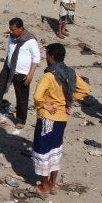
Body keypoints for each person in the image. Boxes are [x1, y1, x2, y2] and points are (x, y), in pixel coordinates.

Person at [31, 43, 89, 194]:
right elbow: (85, 90)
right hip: (62, 117)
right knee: (55, 149)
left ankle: (44, 186)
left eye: (47, 54)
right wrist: (69, 100)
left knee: (42, 150)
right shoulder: (70, 72)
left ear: (51, 57)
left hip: (48, 118)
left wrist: (45, 104)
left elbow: (37, 96)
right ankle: (52, 183)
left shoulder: (49, 76)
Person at [0, 18, 40, 129]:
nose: (11, 32)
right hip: (8, 69)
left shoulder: (30, 40)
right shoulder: (11, 37)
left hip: (22, 73)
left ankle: (20, 120)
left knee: (21, 97)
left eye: (13, 30)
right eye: (10, 30)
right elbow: (10, 52)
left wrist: (30, 74)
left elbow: (36, 59)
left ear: (21, 29)